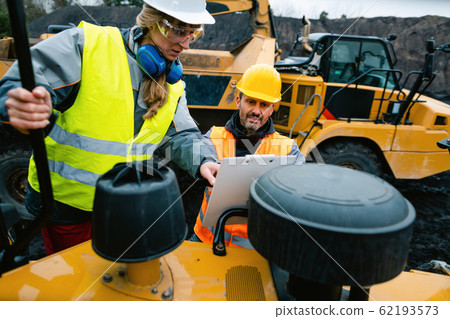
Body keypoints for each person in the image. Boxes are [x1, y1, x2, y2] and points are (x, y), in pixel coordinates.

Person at [0, 0, 220, 255]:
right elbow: (24, 80)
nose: (186, 43)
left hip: (123, 205)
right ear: (152, 21)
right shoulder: (88, 45)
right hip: (66, 206)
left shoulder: (172, 85)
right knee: (76, 279)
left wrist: (204, 160)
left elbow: (182, 135)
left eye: (193, 32)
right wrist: (21, 99)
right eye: (179, 30)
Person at [193, 64, 305, 249]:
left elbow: (300, 196)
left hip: (255, 251)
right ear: (238, 101)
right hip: (206, 242)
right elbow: (195, 157)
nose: (256, 111)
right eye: (251, 102)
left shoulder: (288, 150)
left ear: (272, 109)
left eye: (264, 105)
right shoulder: (213, 137)